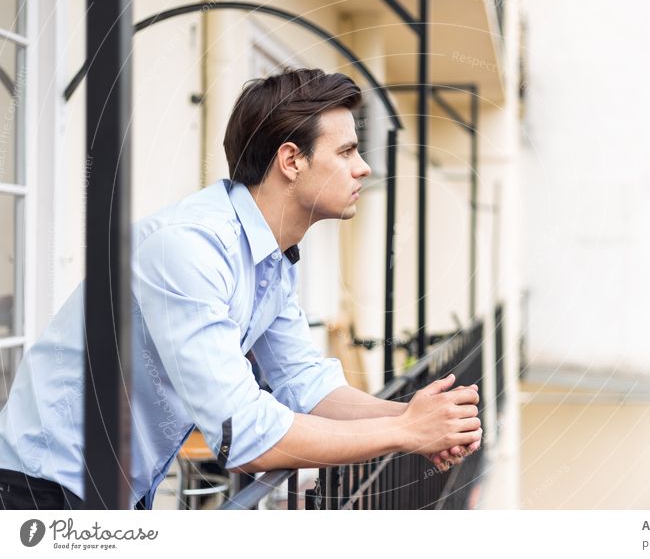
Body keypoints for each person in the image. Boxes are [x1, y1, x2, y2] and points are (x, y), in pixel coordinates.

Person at [0, 68, 481, 510]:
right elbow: (245, 436)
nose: (364, 168)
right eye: (346, 151)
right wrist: (403, 431)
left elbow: (306, 383)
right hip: (41, 490)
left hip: (114, 490)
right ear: (291, 160)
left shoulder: (270, 257)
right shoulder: (190, 248)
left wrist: (418, 419)